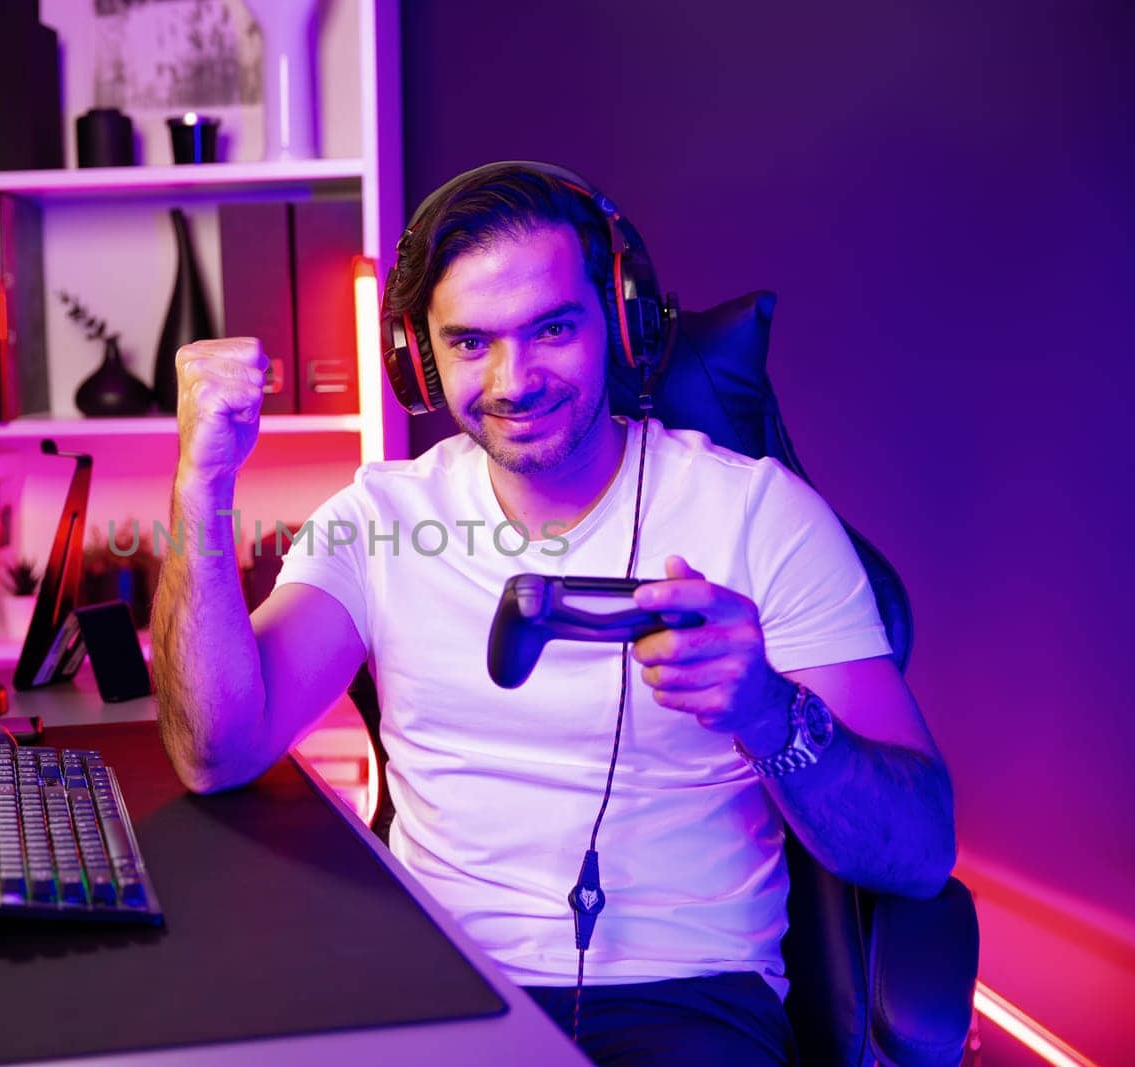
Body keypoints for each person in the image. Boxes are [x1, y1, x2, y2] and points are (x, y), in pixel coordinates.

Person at [150, 161, 956, 1064]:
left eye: (553, 329)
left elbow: (920, 849)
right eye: (469, 343)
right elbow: (214, 750)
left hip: (686, 1002)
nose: (513, 379)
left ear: (620, 321)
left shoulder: (759, 516)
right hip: (432, 988)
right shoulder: (380, 520)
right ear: (418, 354)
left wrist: (768, 710)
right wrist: (202, 479)